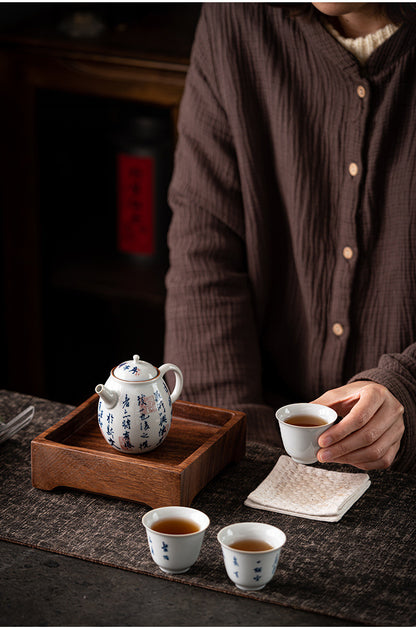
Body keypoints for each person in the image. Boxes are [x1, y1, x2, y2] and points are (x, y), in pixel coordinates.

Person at [164, 2, 416, 473]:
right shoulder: (236, 17)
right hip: (257, 448)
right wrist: (240, 452)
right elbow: (206, 250)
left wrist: (408, 389)